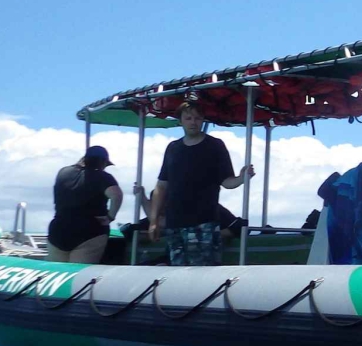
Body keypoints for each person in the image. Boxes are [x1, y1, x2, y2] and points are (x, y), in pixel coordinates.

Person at [148, 99, 254, 266]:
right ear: (181, 121)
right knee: (175, 273)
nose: (193, 122)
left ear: (203, 120)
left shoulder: (215, 146)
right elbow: (161, 186)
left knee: (201, 275)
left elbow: (227, 182)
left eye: (197, 118)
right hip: (174, 224)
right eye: (189, 118)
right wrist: (153, 221)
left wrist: (242, 178)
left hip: (204, 224)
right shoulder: (172, 148)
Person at [46, 145, 123, 263]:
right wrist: (110, 217)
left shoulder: (63, 172)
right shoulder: (103, 177)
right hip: (89, 230)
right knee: (79, 273)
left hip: (59, 228)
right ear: (102, 162)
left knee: (59, 272)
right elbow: (116, 195)